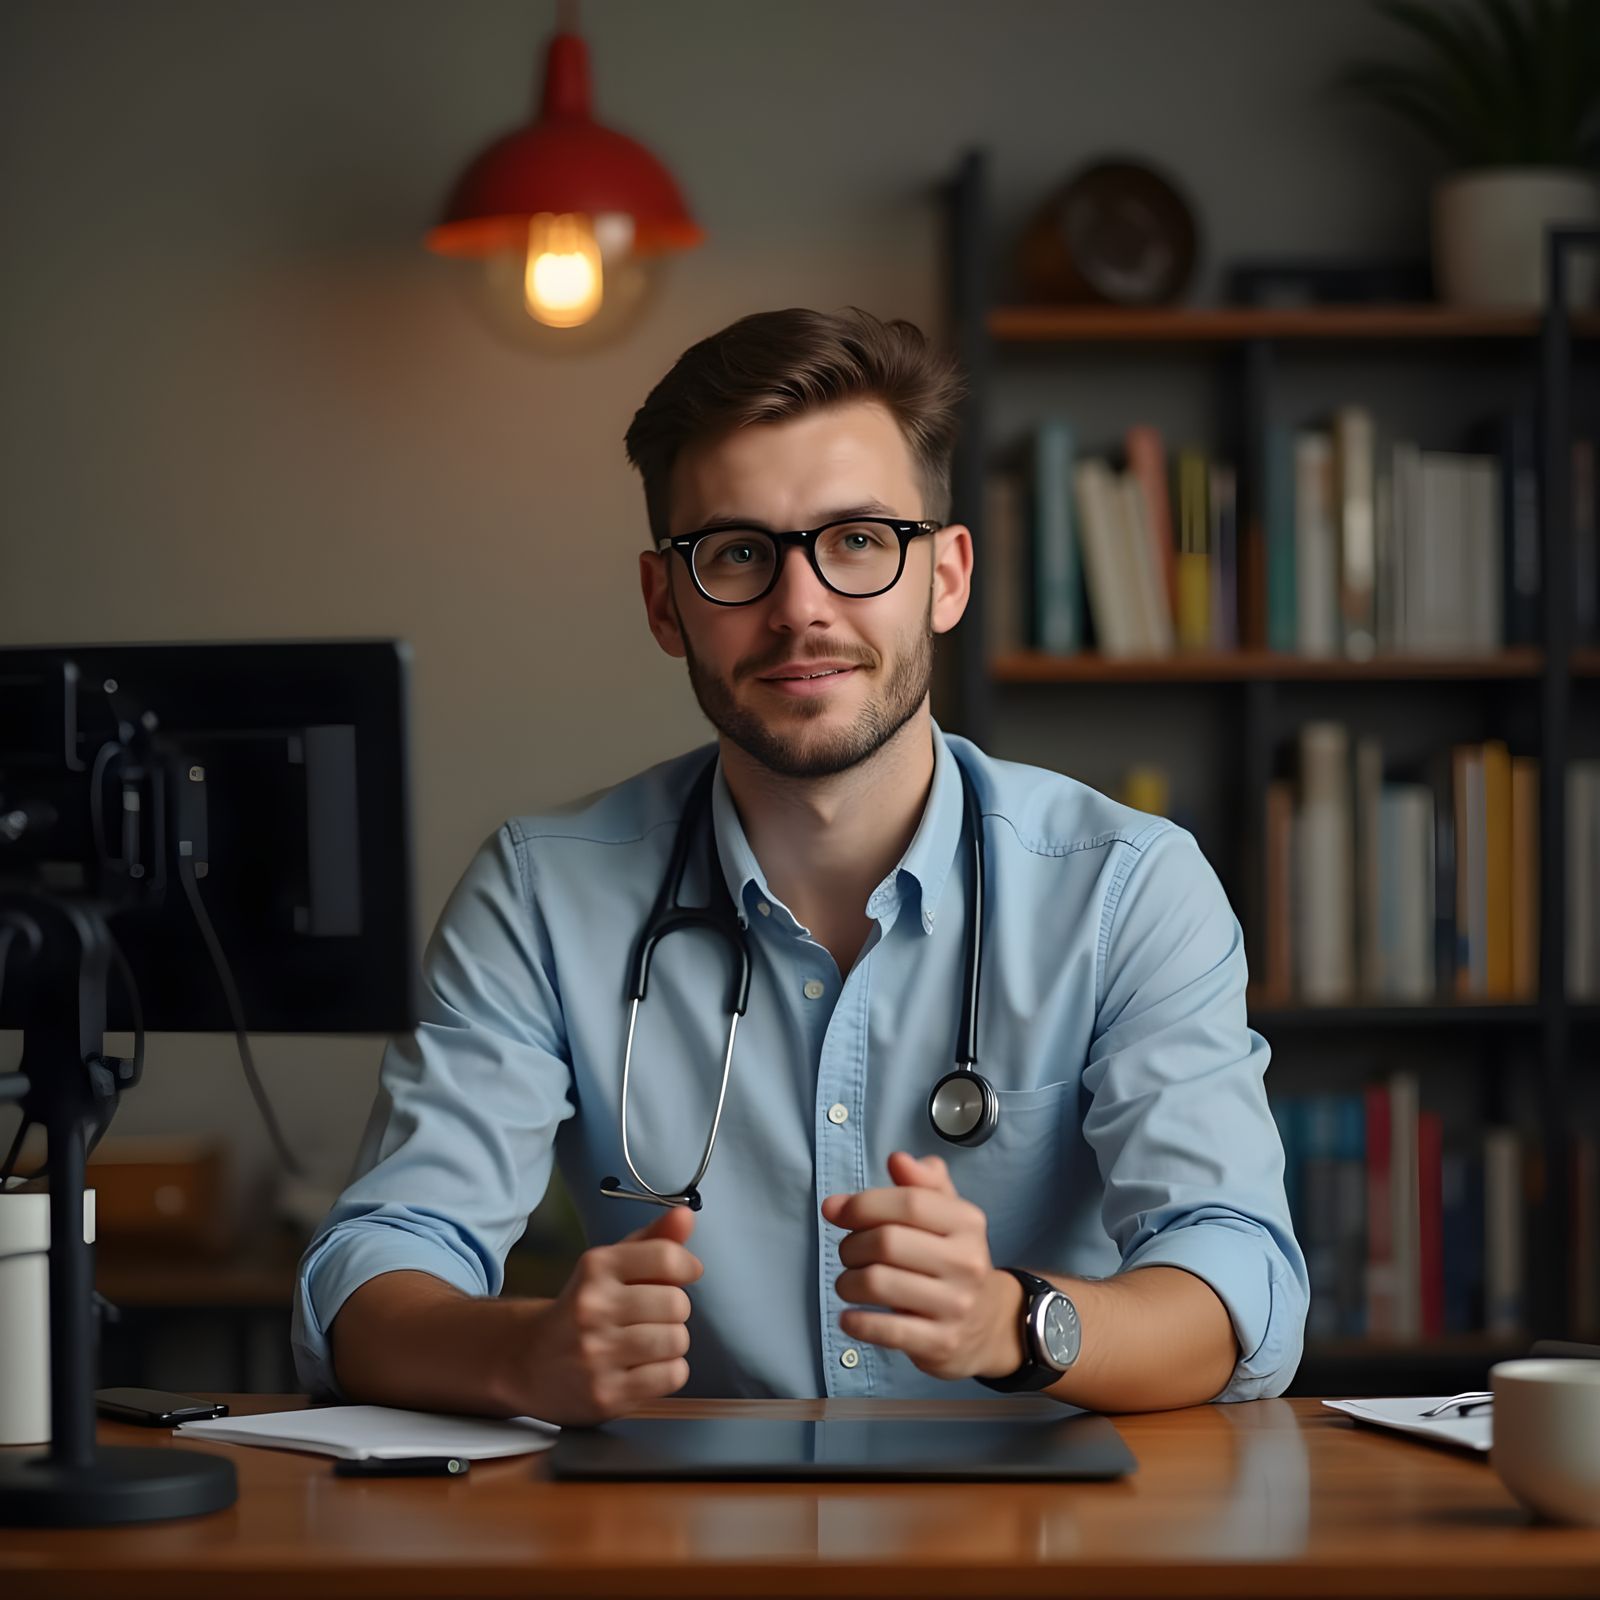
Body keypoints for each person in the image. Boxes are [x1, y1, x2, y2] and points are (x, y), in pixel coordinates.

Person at [292, 307, 1307, 1424]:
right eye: (735, 553)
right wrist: (520, 1354)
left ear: (948, 576)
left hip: (1033, 1552)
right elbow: (377, 1262)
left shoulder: (1126, 888)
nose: (800, 608)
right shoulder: (540, 894)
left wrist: (1012, 1322)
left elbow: (1238, 1282)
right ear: (662, 603)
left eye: (859, 540)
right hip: (686, 1554)